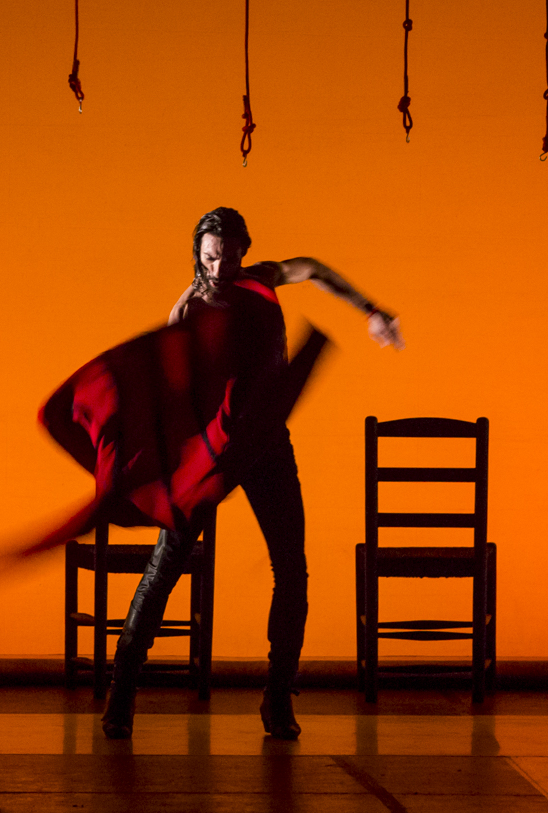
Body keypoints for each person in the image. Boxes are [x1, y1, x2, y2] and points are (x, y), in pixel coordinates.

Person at [100, 206, 403, 740]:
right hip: (213, 450)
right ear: (198, 253)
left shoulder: (262, 278)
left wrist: (370, 309)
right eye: (210, 256)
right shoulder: (189, 306)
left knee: (292, 568)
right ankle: (122, 692)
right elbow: (169, 388)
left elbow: (312, 268)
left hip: (266, 445)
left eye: (229, 254)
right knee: (167, 562)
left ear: (244, 248)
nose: (219, 268)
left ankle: (278, 699)